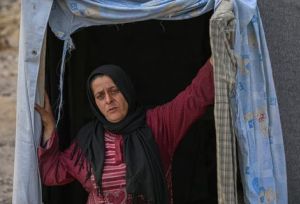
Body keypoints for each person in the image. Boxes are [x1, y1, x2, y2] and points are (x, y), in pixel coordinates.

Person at [35, 59, 214, 204]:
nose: (108, 100)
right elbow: (52, 173)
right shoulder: (87, 141)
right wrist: (49, 126)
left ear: (127, 90)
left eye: (114, 91)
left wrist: (217, 57)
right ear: (95, 103)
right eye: (100, 96)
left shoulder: (158, 124)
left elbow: (195, 97)